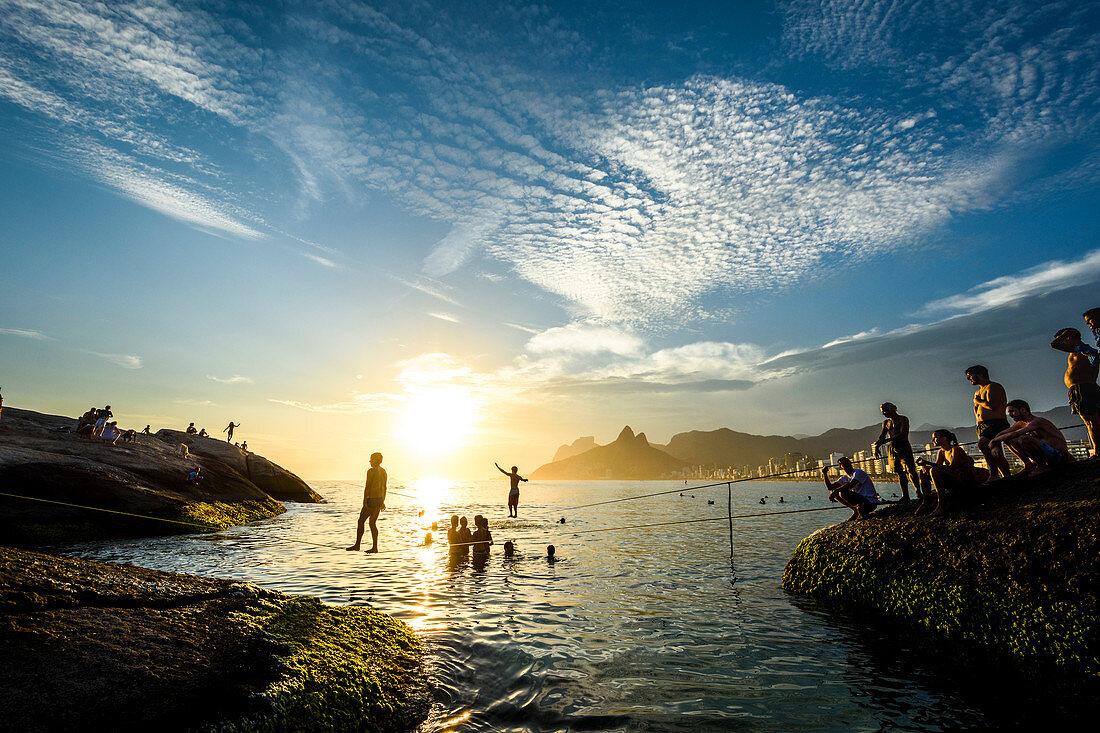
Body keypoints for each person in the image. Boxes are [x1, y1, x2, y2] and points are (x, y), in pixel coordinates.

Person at [1051, 328, 1100, 458]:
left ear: (1068, 338)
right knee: (1091, 422)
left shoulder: (1083, 349)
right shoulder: (1082, 350)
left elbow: (1054, 344)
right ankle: (1097, 449)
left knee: (1092, 422)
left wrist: (1065, 334)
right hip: (1082, 389)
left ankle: (1097, 451)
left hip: (1084, 389)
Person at [917, 429, 990, 515]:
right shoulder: (941, 452)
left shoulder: (956, 450)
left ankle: (941, 504)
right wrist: (925, 466)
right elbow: (937, 466)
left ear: (944, 438)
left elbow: (951, 468)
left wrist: (927, 463)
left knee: (932, 470)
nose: (932, 440)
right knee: (923, 471)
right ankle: (926, 501)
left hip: (964, 479)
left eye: (935, 437)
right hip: (954, 477)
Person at [991, 399, 1071, 475]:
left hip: (1059, 456)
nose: (1010, 415)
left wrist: (993, 441)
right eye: (1009, 413)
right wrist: (995, 445)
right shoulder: (1021, 423)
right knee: (1008, 440)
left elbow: (1014, 434)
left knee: (1024, 439)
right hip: (1047, 455)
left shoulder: (1037, 421)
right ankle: (1028, 465)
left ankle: (1041, 466)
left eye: (1012, 411)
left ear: (1023, 410)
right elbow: (1002, 433)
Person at [966, 365, 1012, 480]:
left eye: (970, 375)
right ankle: (1005, 476)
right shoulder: (978, 391)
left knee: (984, 445)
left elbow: (992, 405)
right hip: (982, 426)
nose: (968, 379)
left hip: (996, 423)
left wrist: (978, 401)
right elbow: (976, 411)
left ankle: (995, 474)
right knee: (995, 451)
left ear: (980, 374)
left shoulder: (993, 387)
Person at [872, 402, 918, 501]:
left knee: (910, 470)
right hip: (892, 448)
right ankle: (905, 496)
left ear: (892, 409)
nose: (884, 413)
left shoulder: (903, 419)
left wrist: (886, 440)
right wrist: (877, 447)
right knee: (900, 472)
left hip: (903, 445)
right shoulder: (886, 423)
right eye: (882, 412)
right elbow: (882, 436)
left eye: (885, 411)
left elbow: (903, 434)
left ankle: (918, 492)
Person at [346, 451, 387, 553]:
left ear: (375, 460)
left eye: (371, 459)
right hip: (379, 500)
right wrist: (383, 501)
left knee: (361, 521)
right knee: (372, 523)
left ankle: (357, 545)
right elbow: (384, 487)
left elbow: (367, 487)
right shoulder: (383, 471)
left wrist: (365, 501)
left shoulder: (371, 471)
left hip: (371, 500)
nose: (370, 462)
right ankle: (375, 547)